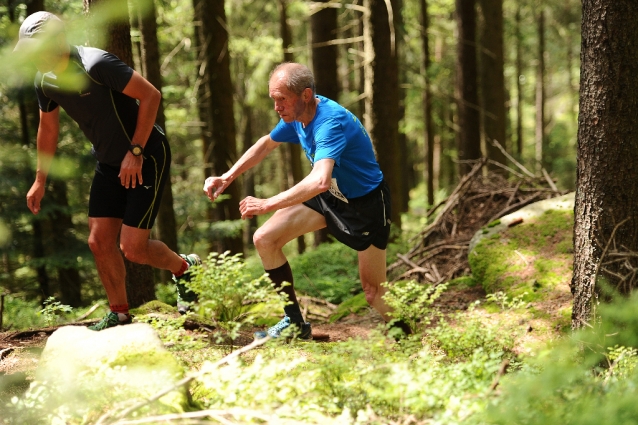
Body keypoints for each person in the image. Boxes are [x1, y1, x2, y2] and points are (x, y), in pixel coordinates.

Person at [15, 11, 200, 330]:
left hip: (147, 155)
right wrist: (40, 179)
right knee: (99, 242)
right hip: (108, 162)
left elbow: (151, 95)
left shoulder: (96, 64)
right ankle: (120, 312)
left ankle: (185, 268)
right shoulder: (44, 79)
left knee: (133, 248)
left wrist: (136, 151)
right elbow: (48, 128)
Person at [203, 62, 410, 340]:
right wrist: (227, 176)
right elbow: (266, 144)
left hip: (365, 206)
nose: (277, 107)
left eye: (282, 99)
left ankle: (411, 339)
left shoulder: (328, 123)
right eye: (273, 100)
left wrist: (267, 204)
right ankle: (294, 322)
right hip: (329, 197)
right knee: (265, 239)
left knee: (373, 293)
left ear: (306, 95)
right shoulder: (298, 116)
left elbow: (319, 180)